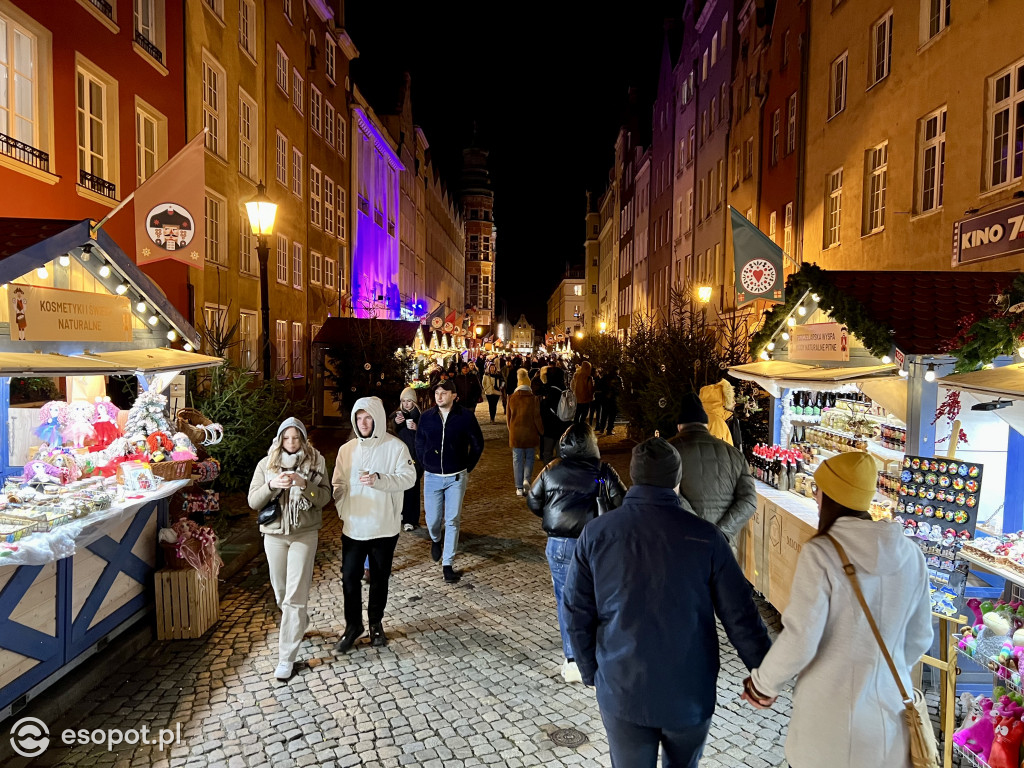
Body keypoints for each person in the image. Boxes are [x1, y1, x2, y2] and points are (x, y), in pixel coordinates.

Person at [563, 437, 772, 768]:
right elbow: (741, 616)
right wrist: (764, 676)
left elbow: (577, 613)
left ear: (632, 477)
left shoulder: (597, 533)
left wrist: (592, 672)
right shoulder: (706, 537)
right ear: (677, 480)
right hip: (689, 691)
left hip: (622, 687)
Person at [742, 452, 933, 768]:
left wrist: (763, 684)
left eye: (819, 490)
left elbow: (801, 638)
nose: (816, 497)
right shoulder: (911, 554)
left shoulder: (822, 553)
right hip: (888, 725)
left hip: (827, 727)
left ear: (831, 496)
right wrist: (880, 672)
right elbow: (920, 638)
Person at [527, 424, 626, 683]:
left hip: (560, 543)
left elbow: (533, 501)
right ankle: (600, 653)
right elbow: (621, 501)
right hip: (596, 543)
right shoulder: (601, 473)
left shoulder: (552, 470)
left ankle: (573, 659)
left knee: (566, 599)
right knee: (599, 597)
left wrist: (553, 516)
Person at [248, 418, 332, 681]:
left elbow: (325, 498)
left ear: (304, 439)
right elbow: (253, 501)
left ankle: (286, 658)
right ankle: (299, 623)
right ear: (280, 439)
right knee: (281, 593)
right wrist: (272, 486)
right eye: (287, 438)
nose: (292, 443)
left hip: (304, 535)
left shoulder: (316, 463)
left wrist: (304, 485)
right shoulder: (267, 464)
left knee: (295, 597)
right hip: (274, 535)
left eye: (297, 438)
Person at [331, 397, 417, 653]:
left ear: (377, 418)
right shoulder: (347, 450)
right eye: (358, 418)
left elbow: (409, 478)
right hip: (354, 527)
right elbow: (338, 484)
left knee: (379, 578)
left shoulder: (396, 447)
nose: (363, 423)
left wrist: (380, 479)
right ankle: (353, 625)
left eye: (367, 417)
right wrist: (344, 510)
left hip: (383, 526)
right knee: (349, 577)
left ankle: (375, 623)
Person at [415, 379, 485, 583]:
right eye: (437, 392)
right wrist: (426, 461)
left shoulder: (466, 417)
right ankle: (436, 539)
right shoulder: (427, 417)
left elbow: (477, 444)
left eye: (444, 392)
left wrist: (467, 467)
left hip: (456, 477)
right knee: (432, 520)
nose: (439, 396)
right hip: (432, 476)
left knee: (453, 519)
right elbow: (420, 442)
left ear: (454, 395)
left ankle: (448, 564)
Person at [669, 392, 755, 545]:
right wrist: (721, 533)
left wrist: (699, 530)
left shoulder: (667, 452)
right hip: (722, 548)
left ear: (679, 426)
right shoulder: (735, 454)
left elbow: (666, 493)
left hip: (682, 544)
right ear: (706, 425)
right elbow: (749, 500)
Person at [506, 368, 544, 496]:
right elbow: (537, 417)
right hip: (530, 433)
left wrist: (511, 430)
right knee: (529, 458)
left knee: (517, 460)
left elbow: (508, 419)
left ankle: (518, 487)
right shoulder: (533, 399)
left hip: (516, 433)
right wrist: (541, 431)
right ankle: (526, 480)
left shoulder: (511, 398)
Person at [392, 387, 423, 531]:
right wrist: (396, 424)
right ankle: (402, 514)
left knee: (413, 487)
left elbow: (426, 436)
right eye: (404, 401)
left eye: (409, 401)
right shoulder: (396, 415)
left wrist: (417, 429)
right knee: (400, 487)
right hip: (400, 458)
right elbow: (389, 432)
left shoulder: (420, 417)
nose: (406, 404)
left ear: (414, 402)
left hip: (415, 457)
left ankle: (412, 518)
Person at [538, 366, 573, 464]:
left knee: (547, 454)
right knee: (560, 454)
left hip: (550, 427)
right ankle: (559, 475)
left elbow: (544, 409)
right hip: (563, 426)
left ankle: (549, 476)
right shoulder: (565, 390)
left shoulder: (549, 391)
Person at [697, 379, 736, 445]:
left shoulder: (701, 418)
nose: (734, 402)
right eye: (731, 399)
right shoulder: (716, 422)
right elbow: (718, 451)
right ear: (723, 401)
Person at [594, 366, 621, 436]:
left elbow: (599, 386)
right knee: (612, 415)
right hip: (613, 399)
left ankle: (602, 429)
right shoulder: (618, 378)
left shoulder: (605, 377)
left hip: (605, 399)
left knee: (604, 414)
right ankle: (609, 429)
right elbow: (621, 389)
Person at [571, 361, 595, 425]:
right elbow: (590, 389)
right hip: (586, 399)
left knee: (577, 414)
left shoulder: (576, 375)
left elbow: (572, 385)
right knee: (584, 414)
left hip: (577, 398)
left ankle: (575, 427)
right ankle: (581, 427)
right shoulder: (588, 378)